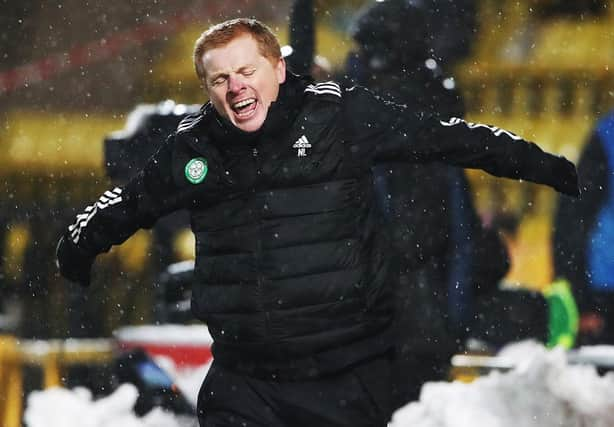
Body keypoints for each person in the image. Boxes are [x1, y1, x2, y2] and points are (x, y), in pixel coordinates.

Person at [56, 18, 578, 426]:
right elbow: (129, 200)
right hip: (246, 379)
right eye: (220, 79)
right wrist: (76, 247)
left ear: (277, 70)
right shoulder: (193, 147)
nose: (235, 88)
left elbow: (450, 138)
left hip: (345, 375)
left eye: (247, 71)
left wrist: (549, 168)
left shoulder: (338, 115)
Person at [553, 108, 614, 346]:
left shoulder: (606, 133)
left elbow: (572, 217)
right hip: (605, 290)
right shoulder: (607, 135)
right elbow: (574, 218)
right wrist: (579, 297)